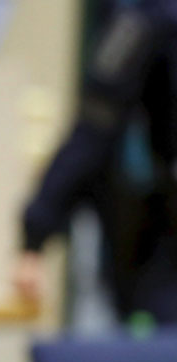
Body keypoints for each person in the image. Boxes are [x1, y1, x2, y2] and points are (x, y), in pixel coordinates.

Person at [16, 0, 177, 325]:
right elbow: (96, 123)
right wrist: (36, 233)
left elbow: (93, 129)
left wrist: (34, 238)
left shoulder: (145, 16)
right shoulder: (143, 18)